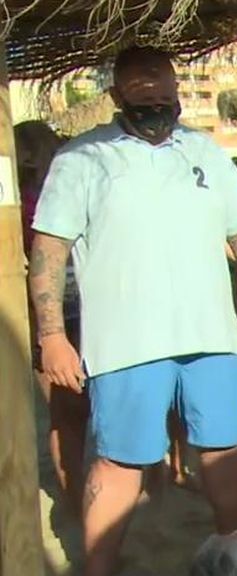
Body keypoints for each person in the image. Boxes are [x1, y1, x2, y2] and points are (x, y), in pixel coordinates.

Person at [29, 46, 237, 576]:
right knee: (121, 462)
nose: (156, 105)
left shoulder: (206, 151)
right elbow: (47, 252)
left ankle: (235, 553)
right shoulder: (80, 158)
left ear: (178, 93)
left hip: (213, 337)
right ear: (117, 97)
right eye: (142, 97)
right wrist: (53, 336)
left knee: (223, 450)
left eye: (165, 94)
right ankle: (98, 567)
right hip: (125, 343)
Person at [16, 121, 89, 518]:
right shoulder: (24, 203)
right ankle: (73, 496)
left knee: (72, 413)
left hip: (79, 310)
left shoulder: (63, 192)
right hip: (52, 313)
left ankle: (76, 493)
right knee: (66, 413)